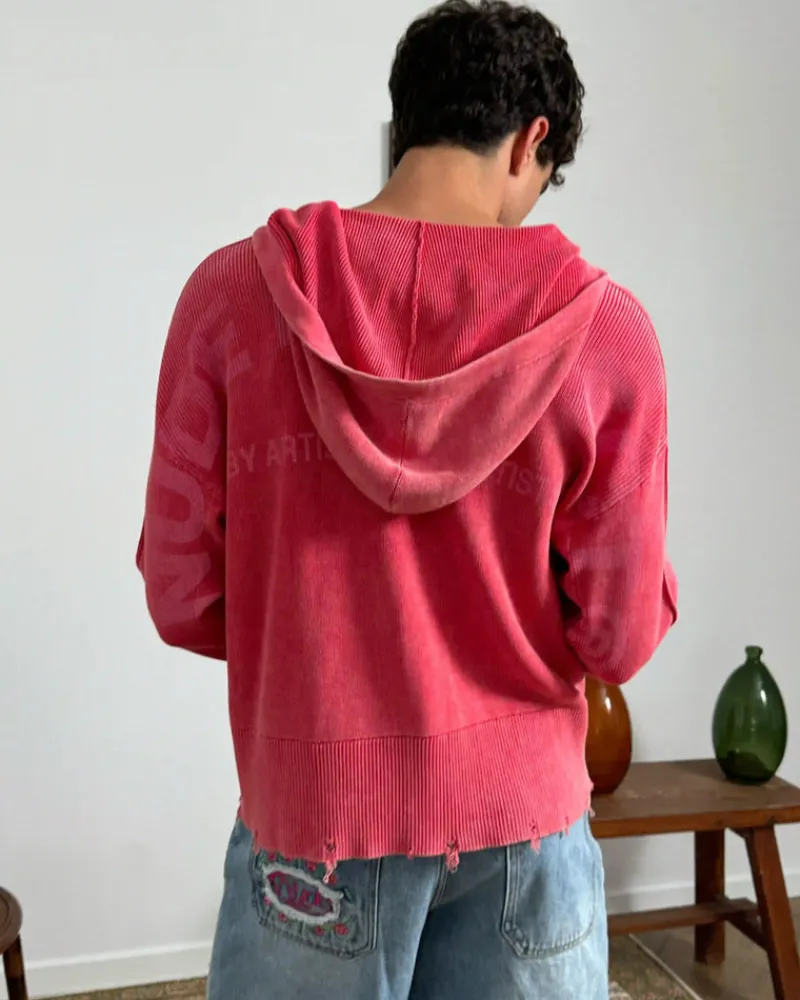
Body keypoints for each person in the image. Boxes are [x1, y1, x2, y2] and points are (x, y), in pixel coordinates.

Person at [136, 1, 677, 997]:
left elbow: (180, 594)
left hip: (314, 815)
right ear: (532, 142)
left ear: (404, 122)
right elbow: (617, 637)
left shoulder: (229, 301)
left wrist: (308, 646)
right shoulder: (608, 338)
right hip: (522, 820)